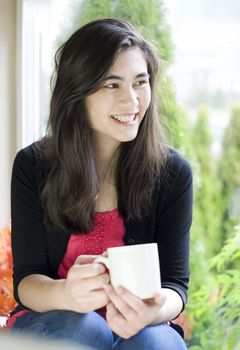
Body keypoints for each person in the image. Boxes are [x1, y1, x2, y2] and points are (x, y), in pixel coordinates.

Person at [8, 18, 193, 350]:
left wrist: (151, 310)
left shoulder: (173, 173)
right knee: (87, 329)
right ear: (77, 92)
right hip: (56, 320)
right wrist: (66, 293)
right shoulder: (33, 166)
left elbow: (176, 287)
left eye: (140, 82)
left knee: (157, 343)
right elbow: (26, 281)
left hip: (140, 331)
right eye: (112, 85)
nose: (132, 101)